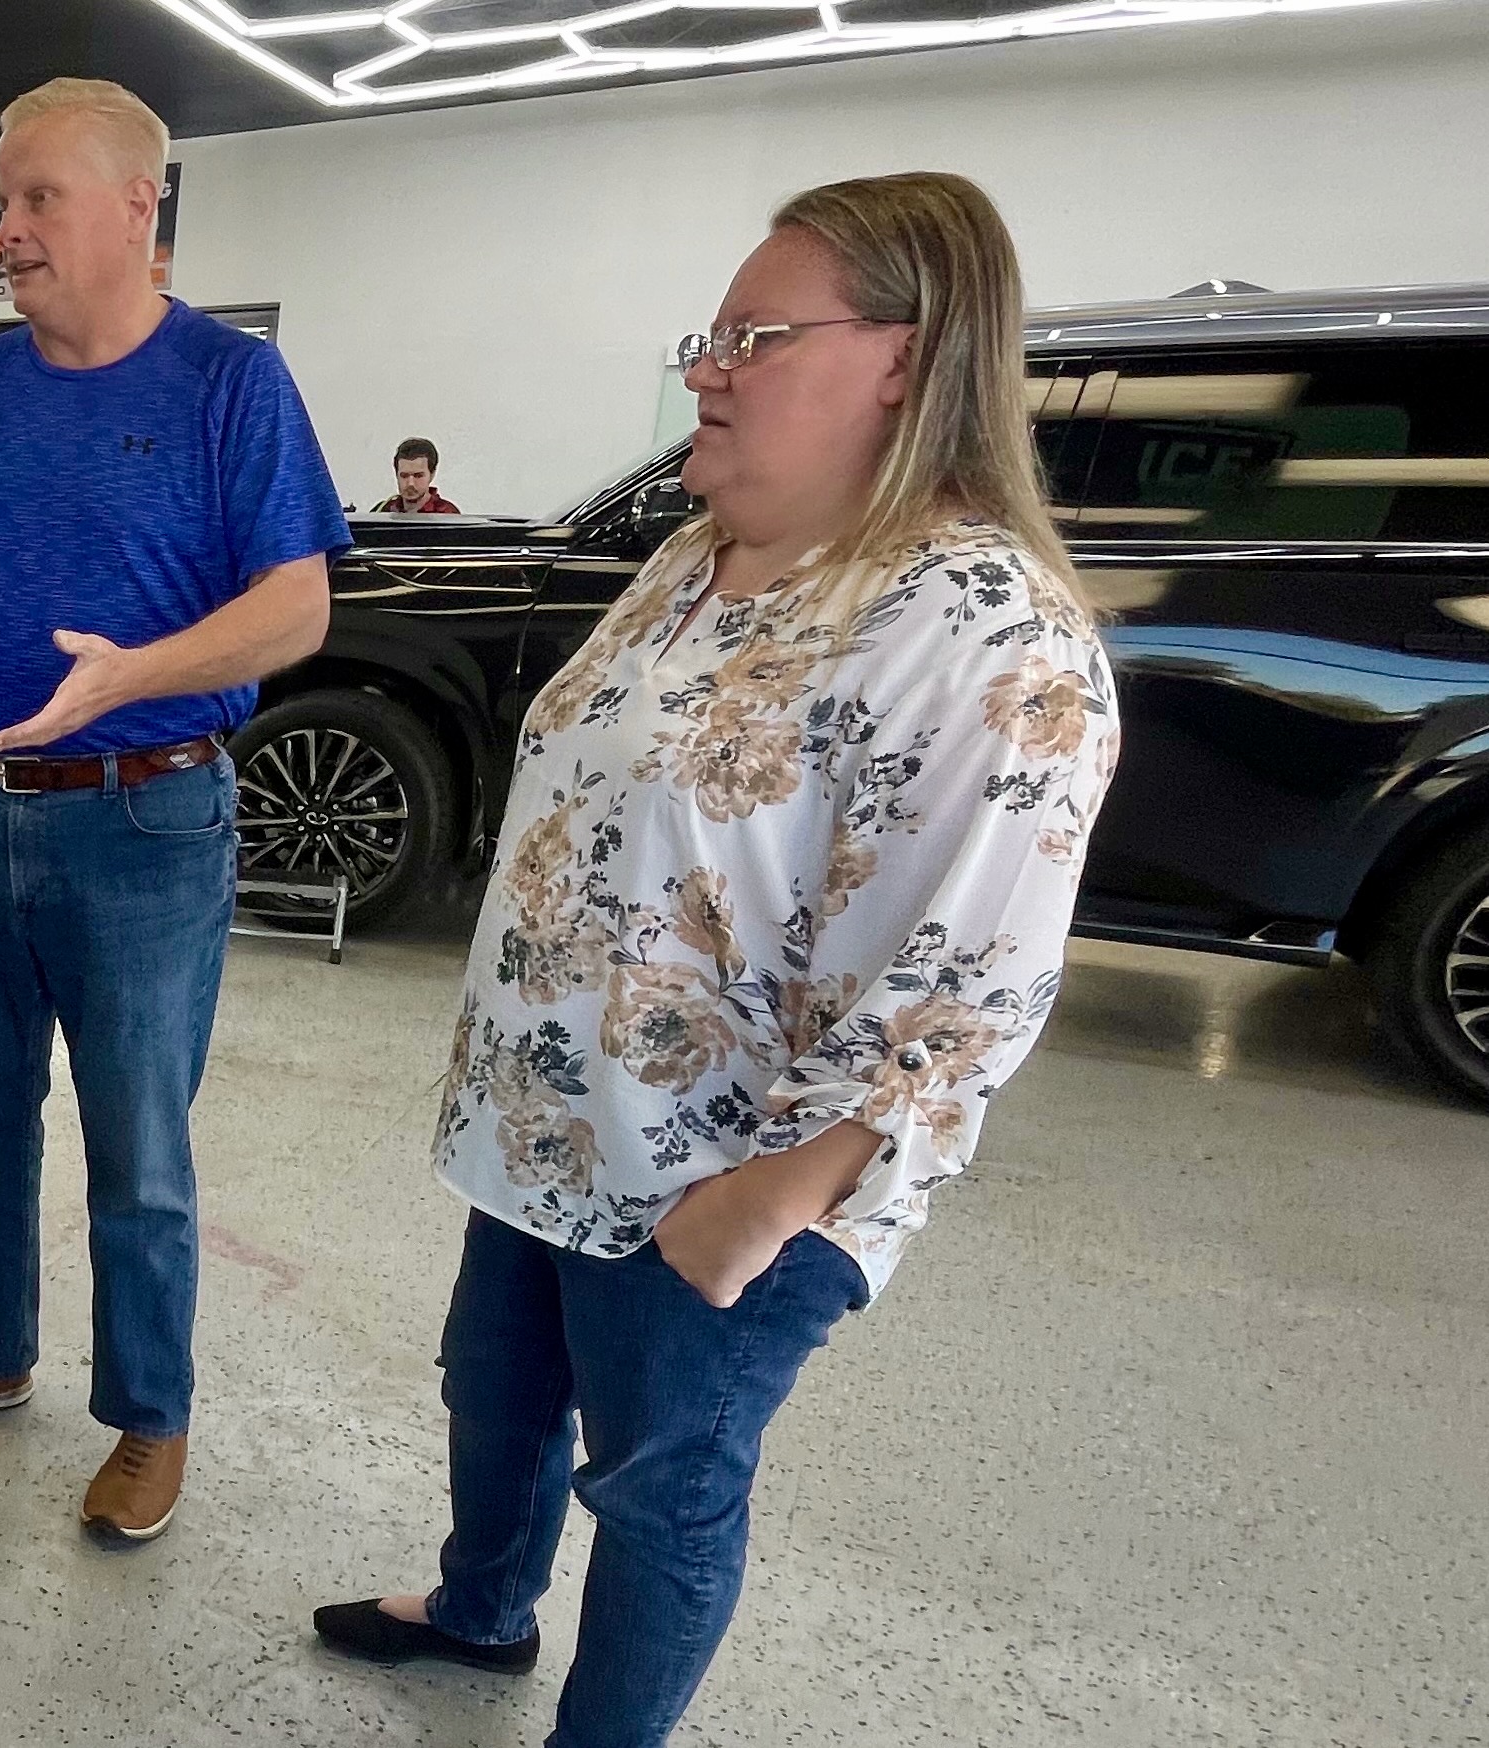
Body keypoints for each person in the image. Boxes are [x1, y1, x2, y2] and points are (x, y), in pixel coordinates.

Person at [311, 173, 1120, 1747]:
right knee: (500, 1394)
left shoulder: (984, 629)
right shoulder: (698, 555)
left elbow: (971, 981)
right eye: (713, 332)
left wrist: (774, 1198)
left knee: (664, 1488)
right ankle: (483, 1611)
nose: (708, 366)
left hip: (724, 1180)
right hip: (547, 1127)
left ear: (910, 355)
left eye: (757, 334)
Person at [0, 78, 347, 1542]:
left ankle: (149, 1418)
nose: (7, 227)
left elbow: (298, 605)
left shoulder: (232, 386)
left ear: (134, 209)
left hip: (148, 820)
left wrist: (133, 678)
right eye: (1, 194)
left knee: (138, 1143)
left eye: (38, 197)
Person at [371, 437, 460, 513]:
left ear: (432, 474)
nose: (410, 483)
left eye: (418, 476)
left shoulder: (447, 514)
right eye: (404, 476)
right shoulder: (384, 511)